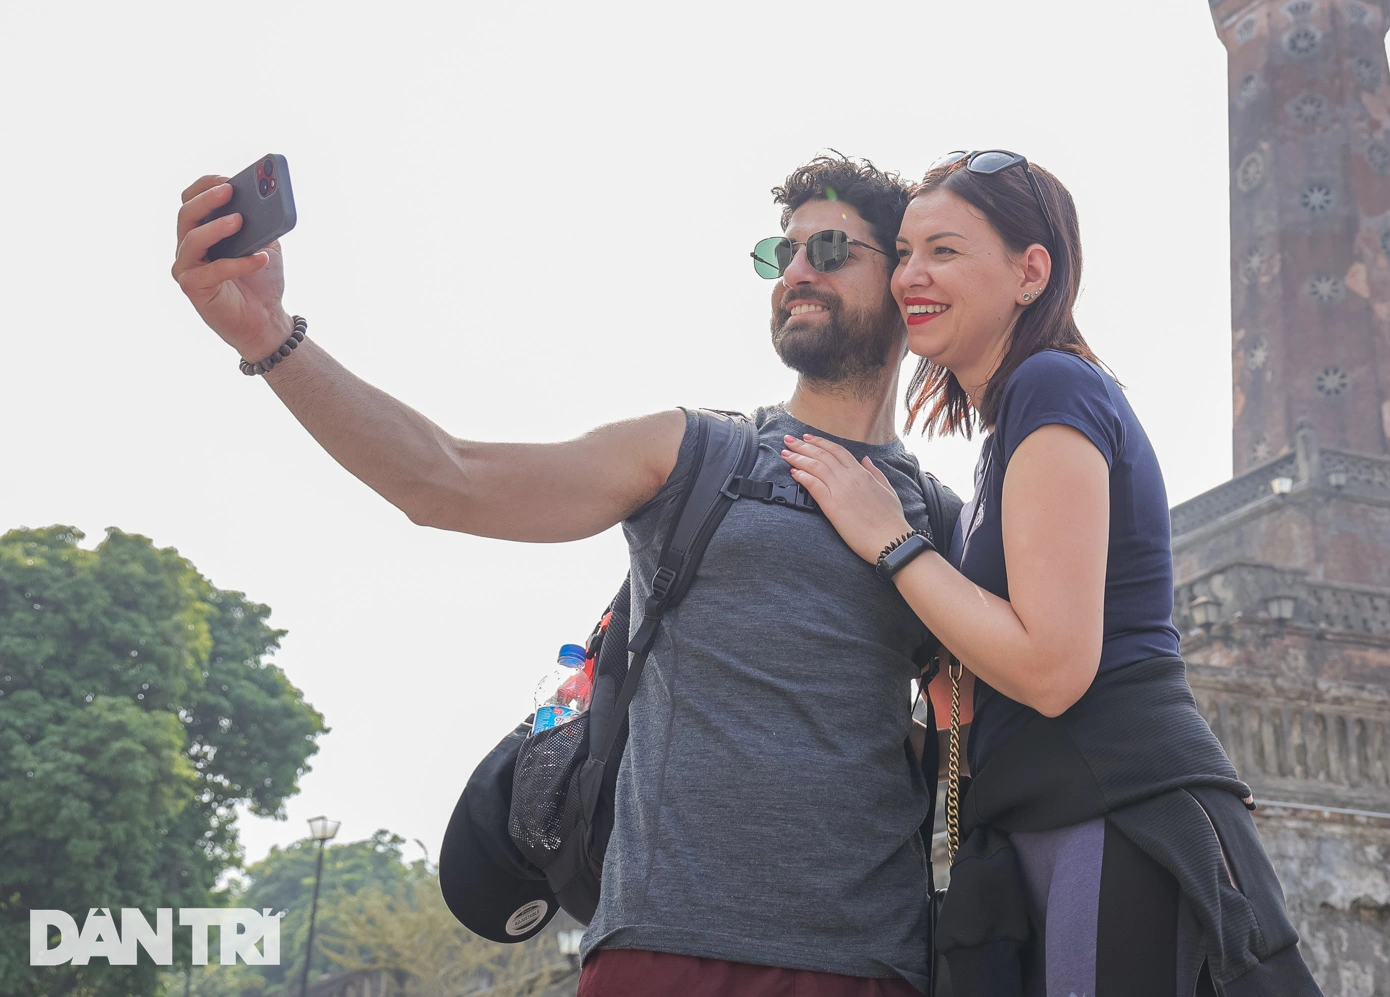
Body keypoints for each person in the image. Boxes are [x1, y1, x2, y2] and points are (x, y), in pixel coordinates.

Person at [170, 154, 954, 997]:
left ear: (906, 279)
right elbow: (443, 479)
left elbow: (972, 731)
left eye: (830, 249)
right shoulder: (696, 454)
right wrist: (270, 336)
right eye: (781, 253)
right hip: (659, 951)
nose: (795, 272)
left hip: (871, 963)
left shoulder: (941, 522)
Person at [784, 150, 1323, 997]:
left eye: (946, 251)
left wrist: (893, 542)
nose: (909, 275)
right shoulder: (1006, 436)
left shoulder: (1052, 384)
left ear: (1031, 270)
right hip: (1051, 822)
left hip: (1112, 814)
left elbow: (1053, 666)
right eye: (907, 252)